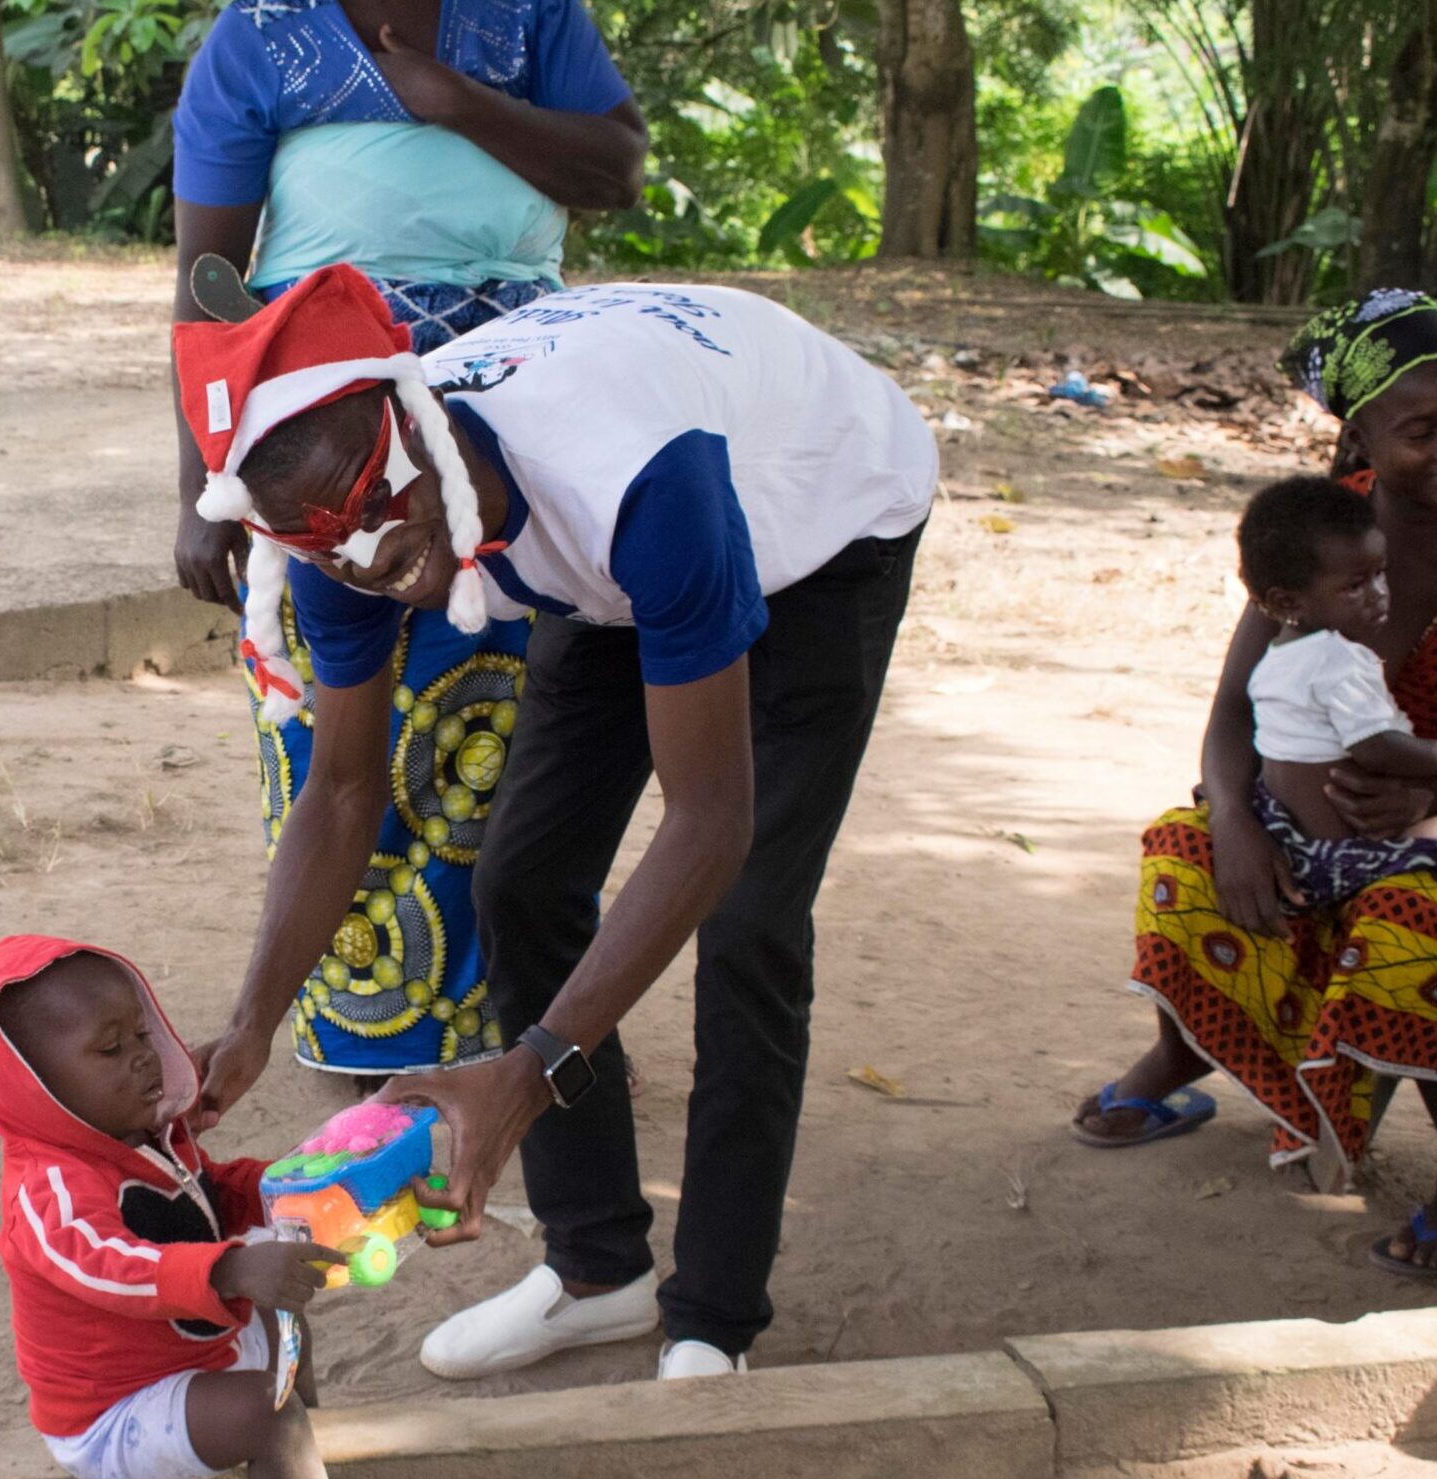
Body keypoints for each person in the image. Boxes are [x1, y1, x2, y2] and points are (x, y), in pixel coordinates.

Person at [177, 264, 935, 1379]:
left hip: (821, 513)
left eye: (377, 508)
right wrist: (250, 1022)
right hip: (604, 551)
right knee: (519, 884)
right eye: (320, 539)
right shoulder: (332, 522)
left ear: (415, 420)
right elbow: (342, 790)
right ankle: (598, 1272)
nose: (371, 559)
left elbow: (710, 820)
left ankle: (712, 1320)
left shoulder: (628, 479)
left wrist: (525, 1074)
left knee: (749, 918)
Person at [169, 0, 647, 1084]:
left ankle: (521, 1031)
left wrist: (459, 103)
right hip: (316, 442)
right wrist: (201, 484)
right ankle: (363, 1025)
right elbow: (204, 289)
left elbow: (615, 169)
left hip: (507, 430)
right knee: (338, 743)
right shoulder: (258, 39)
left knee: (505, 737)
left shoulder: (528, 21)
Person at [1073, 288, 1437, 1281]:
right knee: (1186, 851)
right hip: (1315, 824)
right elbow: (1229, 719)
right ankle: (1183, 1054)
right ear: (1363, 433)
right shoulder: (1319, 531)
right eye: (1421, 429)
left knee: (1419, 920)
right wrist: (1240, 818)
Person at [0, 935, 435, 1479]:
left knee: (285, 1318)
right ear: (33, 1084)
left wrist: (317, 1189)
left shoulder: (144, 1137)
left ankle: (297, 1458)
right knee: (265, 1412)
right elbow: (107, 1265)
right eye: (109, 1049)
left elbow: (216, 1192)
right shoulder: (50, 1189)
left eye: (142, 1035)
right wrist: (231, 1267)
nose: (143, 1059)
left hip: (194, 1354)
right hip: (115, 1411)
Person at [1236, 476, 1437, 905]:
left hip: (1291, 842)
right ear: (1288, 603)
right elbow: (1376, 749)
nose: (1379, 595)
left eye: (1380, 575)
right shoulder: (1337, 661)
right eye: (1356, 585)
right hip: (1344, 858)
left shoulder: (1277, 658)